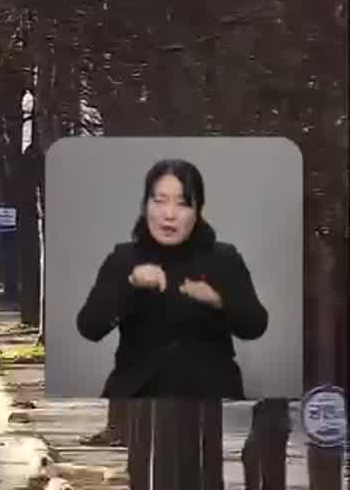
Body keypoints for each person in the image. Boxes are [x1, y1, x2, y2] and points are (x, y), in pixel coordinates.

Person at [76, 158, 269, 399]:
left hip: (211, 398)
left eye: (182, 204)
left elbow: (255, 326)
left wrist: (219, 301)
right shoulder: (124, 258)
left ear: (198, 210)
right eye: (159, 201)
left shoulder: (223, 258)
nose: (169, 215)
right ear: (145, 205)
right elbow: (89, 327)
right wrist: (130, 284)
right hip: (135, 397)